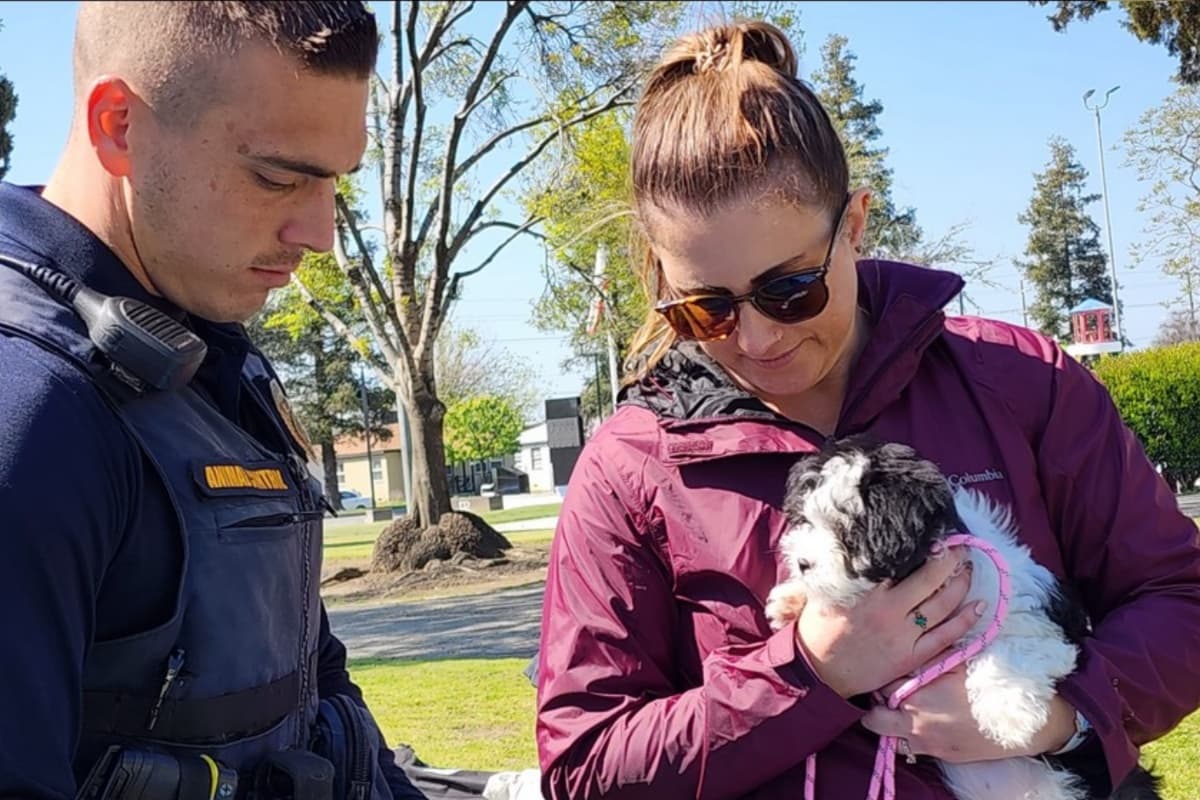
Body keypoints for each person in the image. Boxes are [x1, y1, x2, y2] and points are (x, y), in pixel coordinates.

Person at [534, 20, 1200, 800]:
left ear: (853, 226)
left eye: (790, 290)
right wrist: (810, 668)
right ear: (657, 277)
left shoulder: (1016, 381)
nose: (755, 338)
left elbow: (1180, 599)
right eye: (705, 308)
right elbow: (586, 767)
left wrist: (1058, 717)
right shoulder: (630, 467)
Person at [0, 3, 424, 798]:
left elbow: (316, 692)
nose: (320, 232)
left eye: (333, 181)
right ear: (119, 124)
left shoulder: (205, 360)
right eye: (277, 176)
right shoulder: (29, 410)